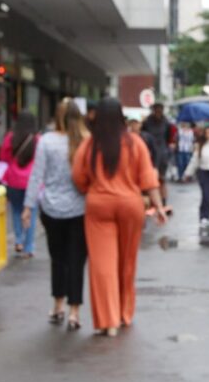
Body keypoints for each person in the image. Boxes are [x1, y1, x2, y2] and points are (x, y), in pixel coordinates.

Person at [72, 98, 166, 337]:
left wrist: (91, 189)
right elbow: (147, 178)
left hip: (99, 206)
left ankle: (108, 320)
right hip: (130, 206)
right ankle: (125, 313)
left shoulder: (90, 145)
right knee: (126, 263)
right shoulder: (135, 143)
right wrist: (159, 206)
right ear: (121, 117)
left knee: (102, 265)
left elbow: (78, 178)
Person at [23, 98, 89, 330]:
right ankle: (75, 311)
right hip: (80, 209)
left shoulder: (46, 141)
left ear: (57, 116)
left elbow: (36, 175)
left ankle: (58, 304)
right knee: (77, 261)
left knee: (58, 259)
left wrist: (28, 206)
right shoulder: (85, 141)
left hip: (51, 209)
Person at [0, 111, 40, 258]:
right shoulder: (37, 139)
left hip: (13, 180)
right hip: (31, 182)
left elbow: (3, 156)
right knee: (31, 213)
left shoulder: (11, 137)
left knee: (16, 211)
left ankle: (18, 241)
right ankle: (29, 247)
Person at [183, 126, 209, 226]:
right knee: (206, 195)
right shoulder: (200, 145)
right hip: (204, 171)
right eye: (206, 133)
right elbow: (195, 160)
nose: (208, 135)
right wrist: (188, 173)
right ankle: (204, 216)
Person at [142, 103, 173, 202]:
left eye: (160, 109)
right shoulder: (147, 122)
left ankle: (163, 200)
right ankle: (152, 200)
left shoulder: (166, 122)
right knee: (150, 177)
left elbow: (169, 137)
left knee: (162, 178)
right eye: (157, 109)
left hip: (162, 151)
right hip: (150, 152)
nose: (158, 112)